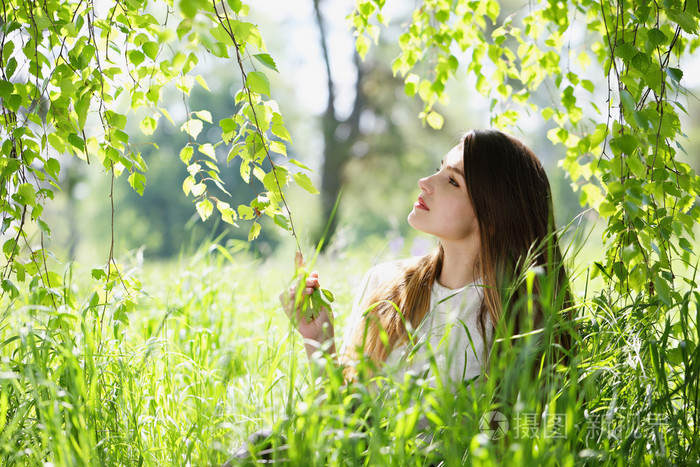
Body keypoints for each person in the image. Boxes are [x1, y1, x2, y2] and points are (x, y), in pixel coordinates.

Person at [228, 128, 574, 463]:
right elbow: (339, 420)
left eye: (452, 181)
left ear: (493, 216)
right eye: (439, 168)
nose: (426, 182)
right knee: (266, 446)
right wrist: (320, 341)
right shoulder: (386, 283)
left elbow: (514, 443)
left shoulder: (519, 323)